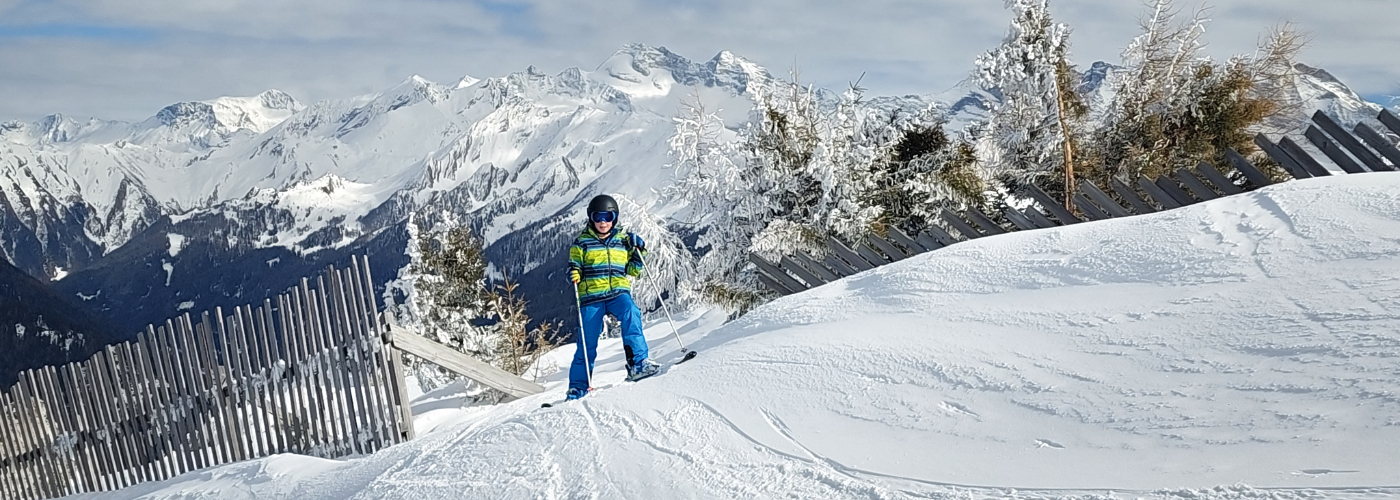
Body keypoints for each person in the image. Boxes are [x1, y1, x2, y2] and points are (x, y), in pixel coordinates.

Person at [566, 194, 659, 400]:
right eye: (598, 217)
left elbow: (634, 271)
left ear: (614, 218)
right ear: (591, 218)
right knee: (586, 340)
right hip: (592, 296)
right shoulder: (581, 243)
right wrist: (573, 273)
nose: (602, 222)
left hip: (618, 292)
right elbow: (573, 268)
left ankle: (638, 364)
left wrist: (639, 251)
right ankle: (578, 386)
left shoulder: (623, 242)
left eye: (608, 216)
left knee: (631, 312)